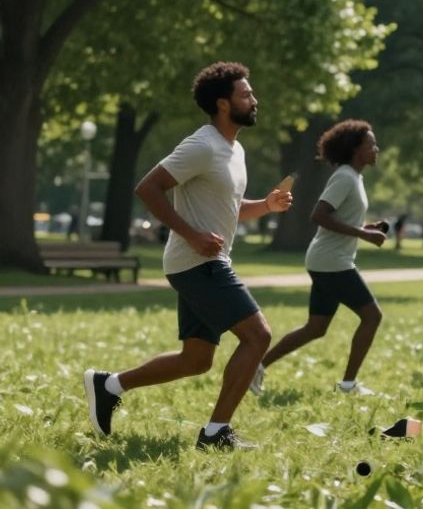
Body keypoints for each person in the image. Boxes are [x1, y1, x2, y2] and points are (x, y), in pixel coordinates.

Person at [83, 62, 292, 450]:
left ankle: (108, 384)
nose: (254, 99)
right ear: (223, 104)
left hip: (204, 262)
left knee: (196, 359)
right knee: (258, 335)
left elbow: (228, 208)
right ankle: (215, 434)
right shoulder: (202, 144)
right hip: (198, 263)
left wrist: (266, 205)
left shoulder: (234, 149)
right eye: (246, 94)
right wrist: (192, 235)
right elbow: (148, 188)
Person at [253, 120, 386, 396]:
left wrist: (366, 228)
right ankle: (348, 385)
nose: (377, 149)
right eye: (371, 144)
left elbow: (339, 217)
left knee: (316, 328)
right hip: (332, 262)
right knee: (372, 316)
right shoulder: (345, 177)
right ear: (355, 149)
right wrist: (362, 233)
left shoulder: (354, 177)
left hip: (327, 260)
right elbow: (319, 215)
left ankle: (257, 365)